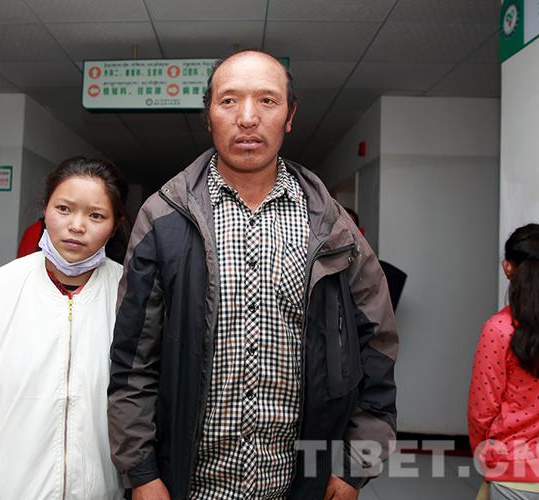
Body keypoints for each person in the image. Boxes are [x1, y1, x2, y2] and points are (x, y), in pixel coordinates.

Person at [108, 50, 398, 500]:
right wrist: (141, 472)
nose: (247, 118)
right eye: (229, 100)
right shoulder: (163, 218)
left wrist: (356, 462)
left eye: (267, 100)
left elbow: (376, 346)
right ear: (208, 115)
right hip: (187, 485)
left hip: (300, 485)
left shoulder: (331, 225)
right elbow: (133, 360)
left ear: (290, 116)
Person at [0, 156, 127, 499]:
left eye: (96, 215)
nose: (77, 226)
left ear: (115, 224)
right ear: (45, 210)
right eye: (64, 209)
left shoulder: (129, 294)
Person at [468, 223, 539, 500]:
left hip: (517, 477)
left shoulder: (499, 329)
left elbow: (482, 412)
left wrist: (486, 457)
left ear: (508, 268)